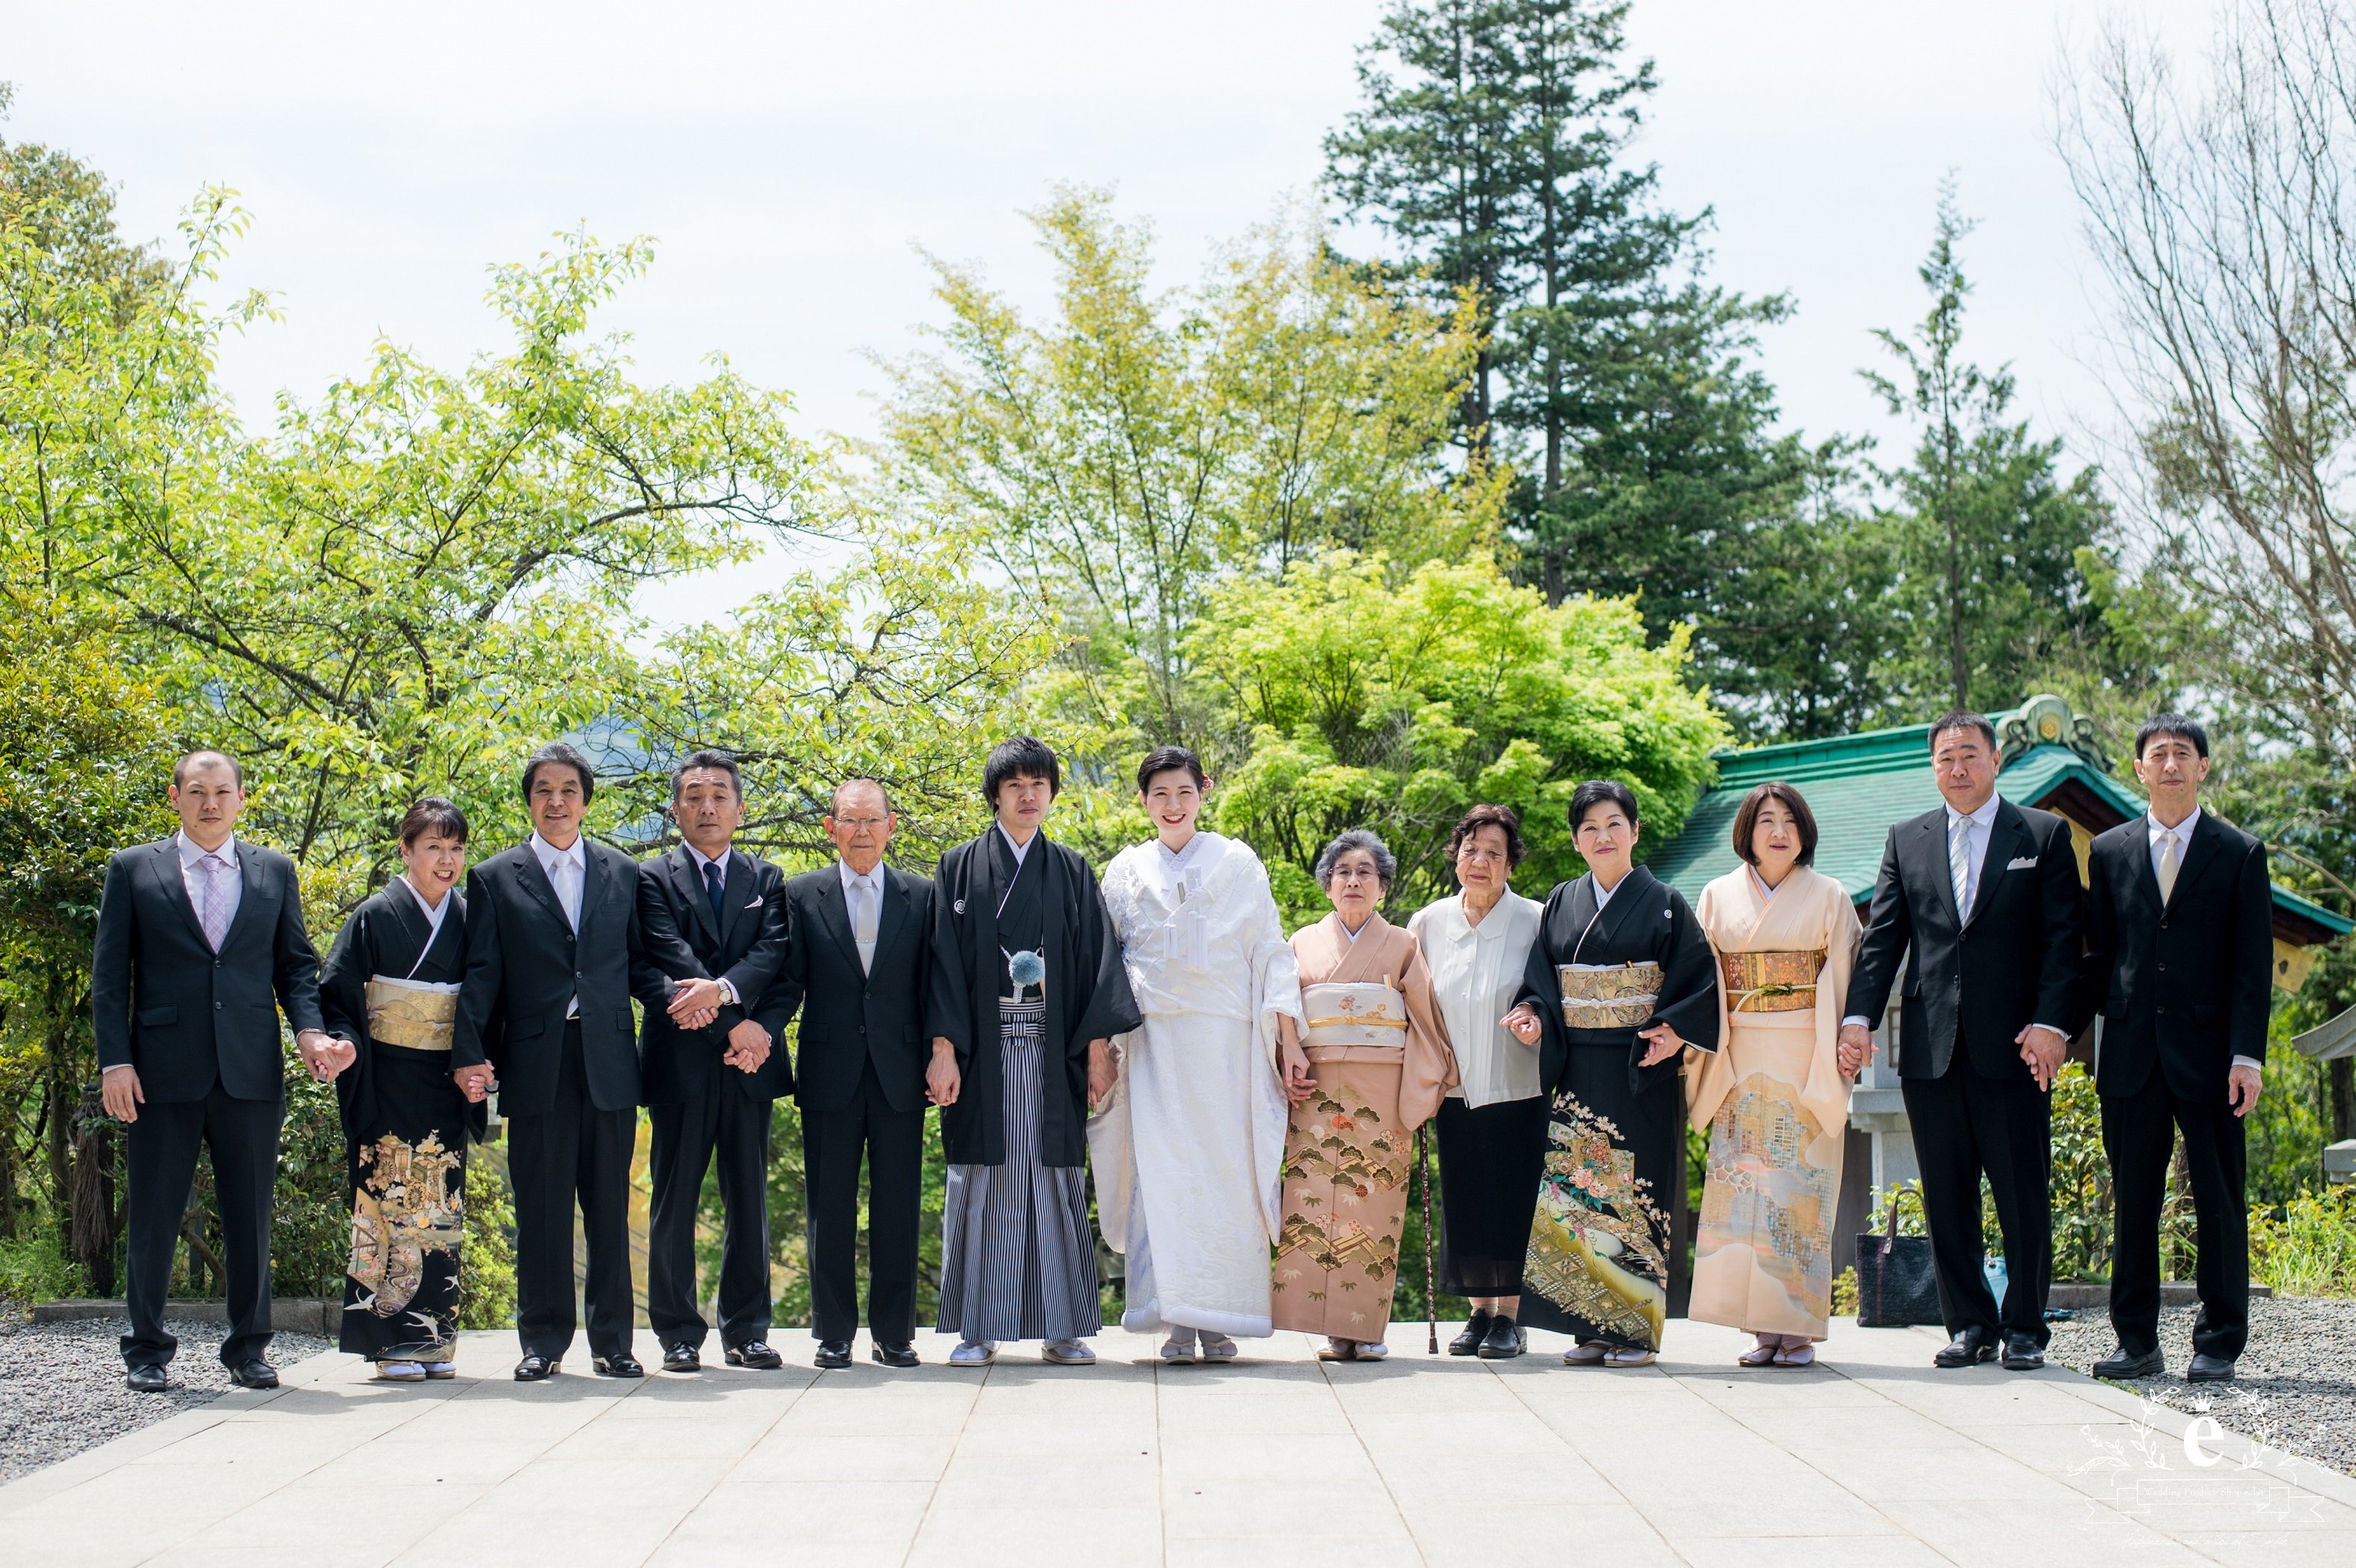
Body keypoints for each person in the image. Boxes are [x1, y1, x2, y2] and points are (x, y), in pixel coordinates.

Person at [93, 750, 346, 1394]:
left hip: (249, 1068)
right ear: (175, 795)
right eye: (198, 791)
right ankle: (146, 1349)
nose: (211, 802)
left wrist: (310, 1031)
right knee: (152, 1213)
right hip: (159, 1071)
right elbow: (109, 979)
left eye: (222, 791)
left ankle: (248, 1347)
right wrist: (115, 1061)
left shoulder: (273, 871)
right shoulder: (133, 869)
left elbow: (295, 967)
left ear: (240, 798)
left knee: (249, 1214)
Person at [450, 741, 705, 1381]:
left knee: (609, 1206)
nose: (557, 801)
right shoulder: (493, 877)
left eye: (568, 790)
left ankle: (613, 1342)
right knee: (540, 1208)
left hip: (609, 1059)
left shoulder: (623, 871)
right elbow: (481, 976)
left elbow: (640, 963)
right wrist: (469, 1053)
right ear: (530, 801)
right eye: (544, 790)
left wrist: (684, 1002)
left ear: (586, 800)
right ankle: (541, 1342)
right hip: (535, 1061)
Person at [1841, 712, 2084, 1373]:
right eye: (1945, 757)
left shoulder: (2042, 833)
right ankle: (1969, 1323)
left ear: (1996, 759)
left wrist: (2053, 1024)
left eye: (1970, 755)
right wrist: (1857, 1019)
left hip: (2014, 1046)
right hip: (1930, 1045)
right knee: (1947, 1196)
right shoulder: (1907, 839)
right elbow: (1883, 940)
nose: (1958, 768)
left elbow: (2066, 943)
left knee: (2021, 1192)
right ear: (1934, 766)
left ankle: (2026, 1326)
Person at [926, 737, 1141, 1367]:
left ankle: (1062, 1325)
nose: (1028, 794)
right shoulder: (959, 867)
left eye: (1038, 784)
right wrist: (942, 1049)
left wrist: (1098, 1048)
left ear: (1051, 793)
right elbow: (940, 965)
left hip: (1053, 1055)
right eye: (1015, 784)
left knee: (1055, 1180)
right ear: (995, 793)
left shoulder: (1071, 869)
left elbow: (1097, 962)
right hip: (980, 1057)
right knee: (982, 1179)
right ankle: (977, 1325)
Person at [1092, 746, 1305, 1364]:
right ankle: (1175, 1320)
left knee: (1226, 1175)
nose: (1172, 804)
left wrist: (1287, 1038)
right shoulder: (1124, 870)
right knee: (1160, 1178)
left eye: (1183, 791)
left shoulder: (1238, 862)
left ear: (1203, 790)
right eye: (1159, 793)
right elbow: (1105, 964)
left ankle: (1222, 1316)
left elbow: (1269, 949)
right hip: (1154, 1042)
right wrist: (1100, 1048)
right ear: (1143, 801)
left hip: (1225, 1043)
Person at [2076, 715, 2270, 1385]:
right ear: (2139, 769)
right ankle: (2136, 1341)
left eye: (2182, 754)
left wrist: (2248, 1056)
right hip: (2130, 1051)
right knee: (2133, 1198)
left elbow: (2252, 965)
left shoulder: (2240, 851)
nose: (2169, 765)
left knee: (2219, 1198)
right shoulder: (2108, 850)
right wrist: (2055, 1028)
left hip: (2213, 1055)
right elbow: (2099, 958)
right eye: (2157, 754)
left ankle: (2218, 1341)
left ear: (2203, 767)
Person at [1505, 780, 1719, 1368]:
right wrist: (1532, 1015)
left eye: (1614, 824)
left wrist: (1672, 1031)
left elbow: (1699, 980)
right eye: (1590, 827)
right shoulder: (1560, 902)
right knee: (1581, 1196)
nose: (1603, 836)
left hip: (1639, 1066)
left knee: (1635, 1194)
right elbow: (1541, 982)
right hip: (1577, 1065)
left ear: (1635, 831)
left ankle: (1635, 1331)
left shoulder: (1668, 902)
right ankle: (1590, 1327)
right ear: (1576, 841)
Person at [1687, 783, 1862, 1367]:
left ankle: (1799, 1326)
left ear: (1805, 830)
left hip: (1804, 1051)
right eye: (1766, 820)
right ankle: (1761, 1325)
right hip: (1738, 1052)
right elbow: (1700, 980)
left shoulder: (1831, 895)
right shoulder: (1716, 895)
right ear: (1748, 830)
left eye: (1790, 820)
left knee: (1801, 1189)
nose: (1779, 830)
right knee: (1746, 1188)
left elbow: (1842, 976)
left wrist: (1841, 1047)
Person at [635, 751, 794, 1374]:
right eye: (694, 796)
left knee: (748, 1197)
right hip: (681, 1060)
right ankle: (678, 1331)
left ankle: (747, 1329)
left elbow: (777, 958)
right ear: (676, 808)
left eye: (719, 796)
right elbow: (666, 955)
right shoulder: (651, 878)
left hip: (750, 1065)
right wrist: (735, 1019)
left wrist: (758, 1031)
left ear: (740, 808)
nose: (707, 806)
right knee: (674, 1199)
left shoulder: (768, 878)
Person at [316, 797, 486, 1381]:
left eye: (456, 848)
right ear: (406, 850)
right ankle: (386, 1340)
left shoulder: (470, 919)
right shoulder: (375, 914)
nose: (447, 860)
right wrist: (343, 1042)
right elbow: (338, 992)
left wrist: (477, 1062)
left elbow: (487, 997)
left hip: (445, 1077)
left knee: (438, 1208)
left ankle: (432, 1340)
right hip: (385, 1075)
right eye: (434, 847)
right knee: (384, 1205)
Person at [770, 778, 935, 1370]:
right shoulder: (800, 894)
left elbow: (933, 987)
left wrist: (943, 1052)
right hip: (828, 1069)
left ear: (893, 826)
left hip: (900, 1071)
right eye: (850, 820)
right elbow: (786, 981)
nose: (862, 831)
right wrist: (757, 1033)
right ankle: (833, 1333)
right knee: (829, 1209)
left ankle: (895, 1333)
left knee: (898, 1206)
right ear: (830, 827)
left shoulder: (923, 895)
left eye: (873, 820)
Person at [1277, 828, 1456, 1362]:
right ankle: (1330, 1328)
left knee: (1372, 1206)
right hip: (1315, 1086)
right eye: (1343, 872)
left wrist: (1423, 1086)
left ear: (1382, 887)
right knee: (1313, 1207)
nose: (1353, 881)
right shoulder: (1300, 942)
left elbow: (1424, 1022)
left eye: (1365, 873)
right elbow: (1285, 1010)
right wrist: (1289, 1057)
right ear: (1327, 885)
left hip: (1383, 1088)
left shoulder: (1403, 944)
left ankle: (1367, 1327)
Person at [1407, 805, 1544, 1361]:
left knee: (1512, 1198)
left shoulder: (1536, 918)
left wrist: (1536, 1013)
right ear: (1455, 855)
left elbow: (1548, 990)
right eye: (1471, 849)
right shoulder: (1429, 921)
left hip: (1519, 1082)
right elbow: (1413, 1002)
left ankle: (1509, 1314)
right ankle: (1478, 1311)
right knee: (1465, 1200)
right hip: (1454, 1087)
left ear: (1511, 861)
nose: (1480, 861)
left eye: (1494, 851)